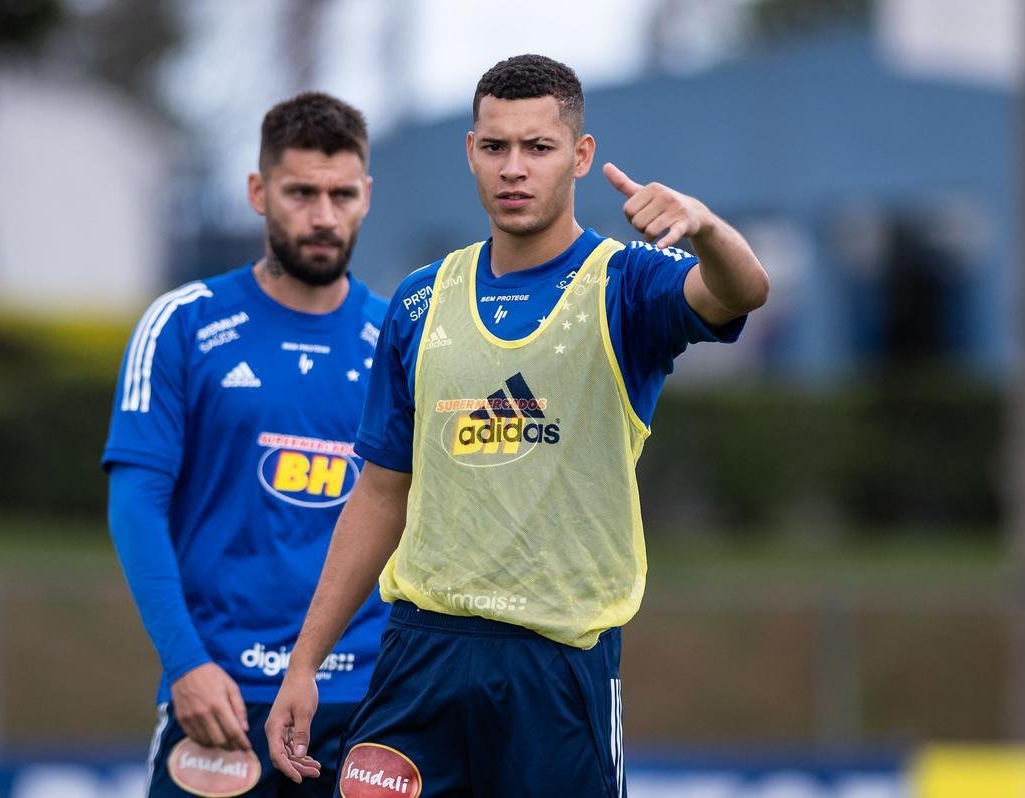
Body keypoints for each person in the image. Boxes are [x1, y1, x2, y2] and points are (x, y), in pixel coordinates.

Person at [267, 55, 769, 797]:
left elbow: (742, 291)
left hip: (556, 668)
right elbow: (379, 493)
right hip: (420, 658)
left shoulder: (625, 285)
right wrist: (304, 663)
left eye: (538, 148)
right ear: (471, 151)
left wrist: (705, 229)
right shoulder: (417, 300)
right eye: (496, 147)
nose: (514, 168)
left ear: (580, 156)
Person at [102, 91, 390, 797]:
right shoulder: (181, 324)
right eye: (301, 193)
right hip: (220, 702)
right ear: (259, 192)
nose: (323, 216)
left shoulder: (402, 339)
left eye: (341, 194)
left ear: (366, 197)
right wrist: (185, 665)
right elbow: (136, 505)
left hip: (367, 705)